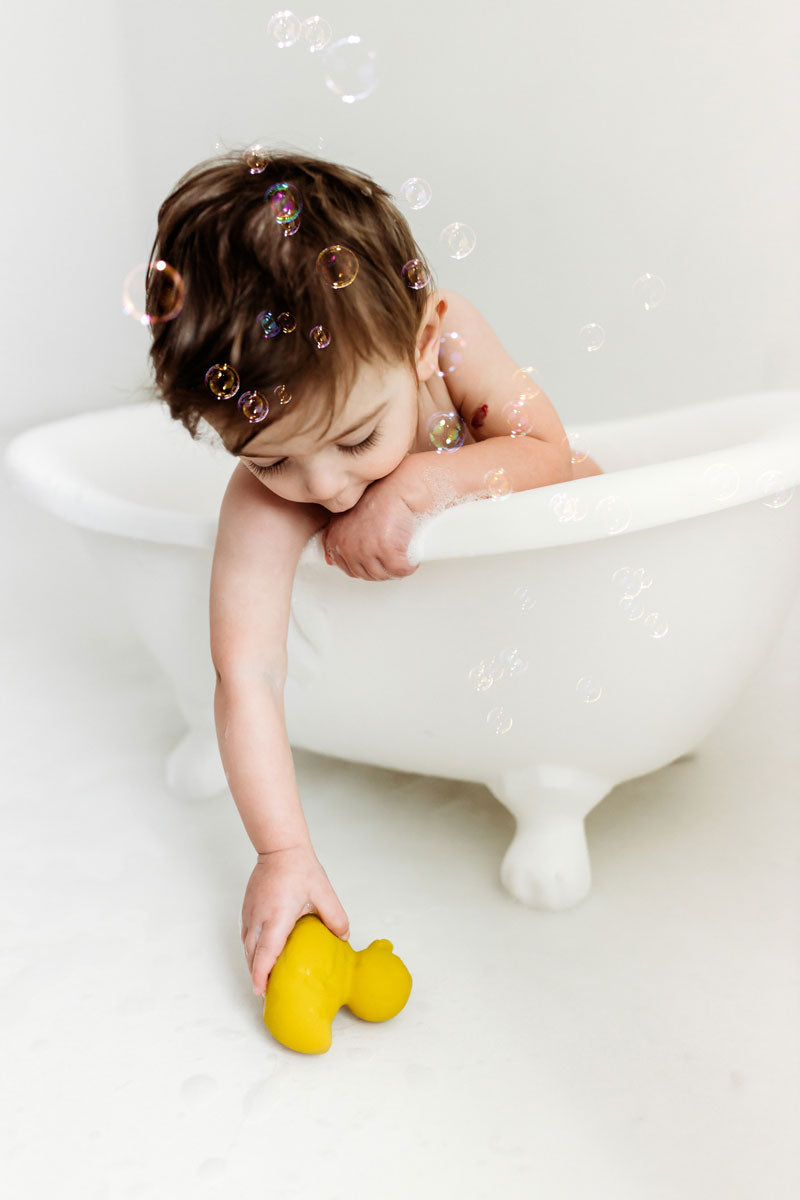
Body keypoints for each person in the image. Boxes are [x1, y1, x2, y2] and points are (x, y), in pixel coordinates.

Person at [147, 149, 603, 998]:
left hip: (535, 625)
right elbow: (245, 673)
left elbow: (559, 458)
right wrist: (281, 853)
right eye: (273, 459)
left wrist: (427, 481)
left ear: (422, 343)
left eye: (357, 440)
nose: (322, 486)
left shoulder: (451, 335)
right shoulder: (261, 502)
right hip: (426, 677)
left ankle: (562, 767)